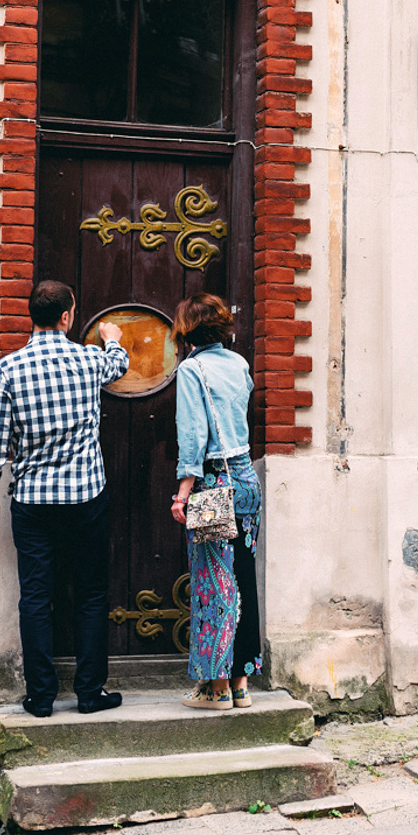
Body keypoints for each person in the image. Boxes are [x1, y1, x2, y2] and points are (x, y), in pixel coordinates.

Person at [0, 278, 129, 717]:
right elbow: (117, 365)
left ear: (32, 316)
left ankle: (41, 697)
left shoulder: (10, 368)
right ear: (66, 317)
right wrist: (112, 338)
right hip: (85, 497)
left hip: (33, 501)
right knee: (92, 595)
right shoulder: (88, 360)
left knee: (36, 597)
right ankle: (89, 693)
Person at [168, 293, 262, 710]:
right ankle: (241, 684)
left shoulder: (192, 369)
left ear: (187, 329)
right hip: (246, 480)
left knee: (213, 584)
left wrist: (183, 492)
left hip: (212, 482)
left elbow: (193, 436)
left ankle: (214, 689)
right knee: (241, 579)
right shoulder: (239, 364)